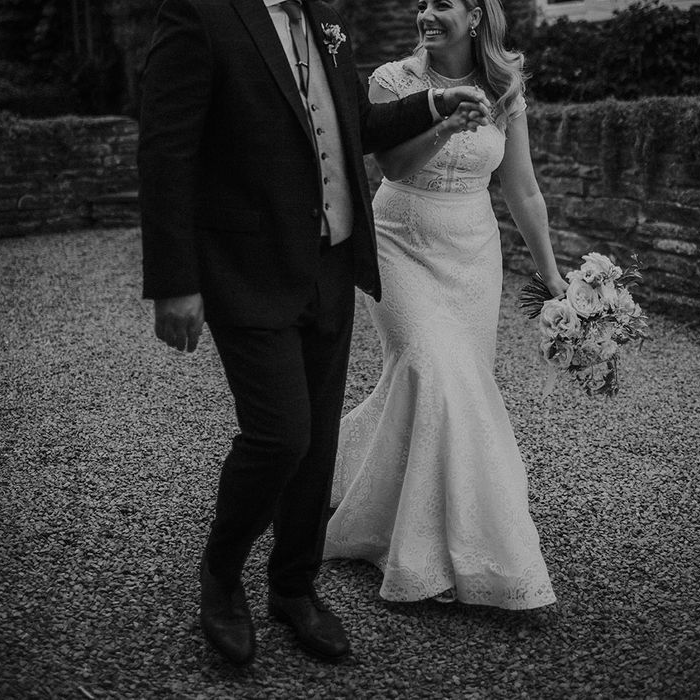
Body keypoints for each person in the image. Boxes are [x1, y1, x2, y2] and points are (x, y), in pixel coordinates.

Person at [138, 0, 490, 666]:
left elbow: (356, 124)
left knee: (318, 443)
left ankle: (294, 588)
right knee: (281, 435)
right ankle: (221, 575)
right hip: (246, 267)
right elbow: (165, 150)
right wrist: (174, 281)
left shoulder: (325, 16)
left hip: (331, 262)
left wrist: (437, 104)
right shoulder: (201, 15)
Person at [323, 0, 567, 610]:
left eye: (444, 5)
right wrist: (446, 125)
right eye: (423, 5)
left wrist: (553, 277)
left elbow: (522, 186)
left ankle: (423, 511)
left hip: (472, 252)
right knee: (432, 369)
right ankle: (428, 552)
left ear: (478, 16)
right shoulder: (391, 80)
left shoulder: (504, 83)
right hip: (400, 238)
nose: (427, 15)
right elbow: (392, 164)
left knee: (457, 383)